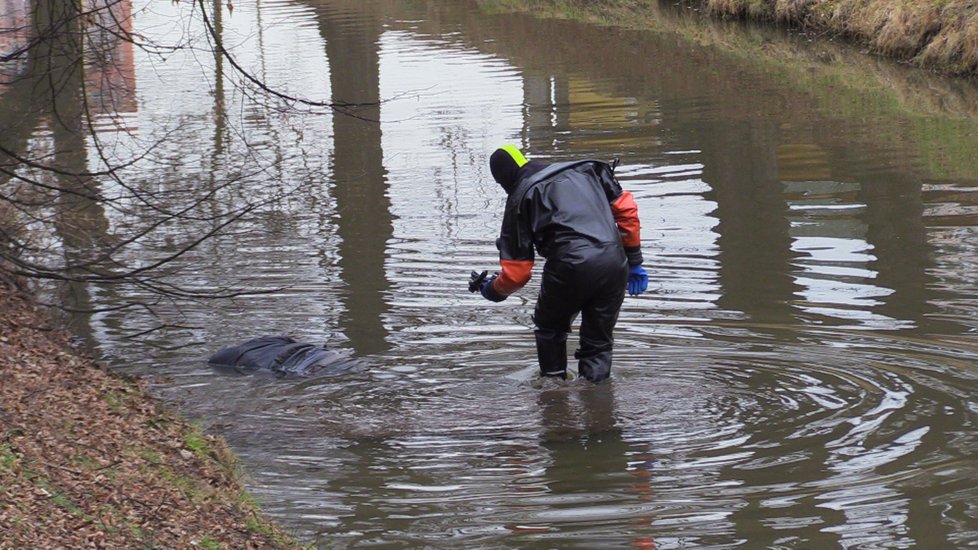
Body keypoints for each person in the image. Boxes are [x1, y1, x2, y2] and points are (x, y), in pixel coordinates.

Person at [473, 144, 647, 382]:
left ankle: (554, 395)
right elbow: (627, 211)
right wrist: (634, 261)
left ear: (504, 180)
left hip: (569, 267)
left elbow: (517, 274)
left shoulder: (520, 197)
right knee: (598, 344)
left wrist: (492, 290)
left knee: (550, 330)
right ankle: (599, 401)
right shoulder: (586, 171)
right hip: (614, 263)